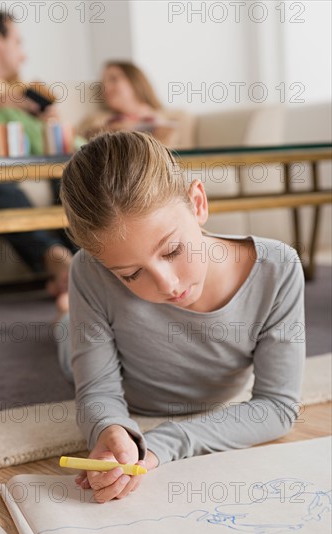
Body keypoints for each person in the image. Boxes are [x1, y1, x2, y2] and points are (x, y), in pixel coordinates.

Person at [58, 131, 305, 504]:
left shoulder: (278, 268)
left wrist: (159, 445)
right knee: (65, 337)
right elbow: (97, 391)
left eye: (172, 250)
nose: (168, 285)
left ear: (198, 202)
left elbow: (277, 407)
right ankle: (67, 313)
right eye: (130, 275)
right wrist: (108, 429)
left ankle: (66, 309)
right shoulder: (89, 272)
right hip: (88, 344)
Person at [0, 11, 74, 298]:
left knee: (70, 168)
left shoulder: (26, 93)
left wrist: (49, 119)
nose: (24, 56)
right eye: (17, 42)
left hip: (47, 163)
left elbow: (65, 143)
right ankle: (58, 259)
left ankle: (78, 263)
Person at [77, 61, 195, 149]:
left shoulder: (176, 117)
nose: (105, 87)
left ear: (135, 81)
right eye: (103, 83)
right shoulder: (94, 120)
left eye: (113, 79)